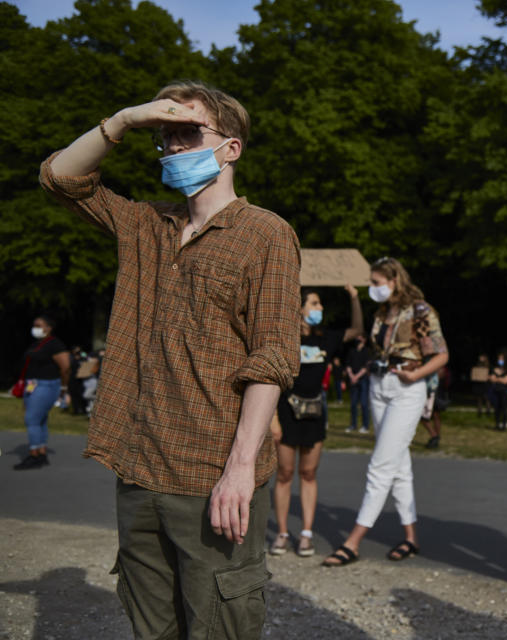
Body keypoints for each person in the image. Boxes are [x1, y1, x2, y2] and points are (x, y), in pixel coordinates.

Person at [40, 81, 301, 638]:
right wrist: (125, 119)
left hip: (214, 477)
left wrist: (238, 470)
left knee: (219, 626)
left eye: (189, 132)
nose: (174, 145)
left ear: (230, 148)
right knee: (150, 627)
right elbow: (62, 179)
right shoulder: (144, 226)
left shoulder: (266, 234)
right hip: (138, 471)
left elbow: (273, 357)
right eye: (165, 136)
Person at [323, 257, 449, 566]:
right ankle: (411, 537)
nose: (373, 288)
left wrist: (415, 376)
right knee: (398, 465)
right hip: (379, 386)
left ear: (394, 281)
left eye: (376, 282)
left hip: (407, 388)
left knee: (380, 466)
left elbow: (441, 355)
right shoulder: (381, 312)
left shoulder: (421, 310)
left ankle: (353, 541)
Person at [269, 286, 363, 557]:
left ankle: (307, 533)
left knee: (308, 473)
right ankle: (283, 533)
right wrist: (273, 419)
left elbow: (356, 329)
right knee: (285, 474)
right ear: (299, 308)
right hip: (287, 412)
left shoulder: (327, 338)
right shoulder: (284, 337)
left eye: (320, 304)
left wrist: (354, 297)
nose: (319, 309)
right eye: (314, 304)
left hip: (315, 413)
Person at [12, 315, 70, 470]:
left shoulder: (55, 344)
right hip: (33, 386)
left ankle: (34, 455)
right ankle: (41, 452)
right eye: (34, 325)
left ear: (49, 327)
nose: (35, 328)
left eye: (39, 325)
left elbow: (65, 367)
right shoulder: (38, 344)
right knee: (40, 420)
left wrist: (64, 388)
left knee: (32, 420)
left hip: (46, 385)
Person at [345, 333, 373, 433]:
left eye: (360, 337)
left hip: (363, 379)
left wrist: (357, 376)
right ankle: (353, 425)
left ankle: (365, 426)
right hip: (353, 380)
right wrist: (351, 376)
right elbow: (348, 365)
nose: (357, 338)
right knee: (353, 404)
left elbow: (366, 367)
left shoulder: (367, 351)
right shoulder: (351, 351)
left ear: (364, 339)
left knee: (364, 403)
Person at [489, 349, 507, 430]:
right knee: (497, 408)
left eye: (501, 358)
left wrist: (497, 378)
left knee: (504, 408)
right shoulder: (494, 368)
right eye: (499, 358)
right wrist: (500, 379)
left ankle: (504, 425)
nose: (500, 360)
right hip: (495, 390)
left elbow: (505, 381)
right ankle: (497, 424)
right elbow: (491, 378)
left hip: (504, 391)